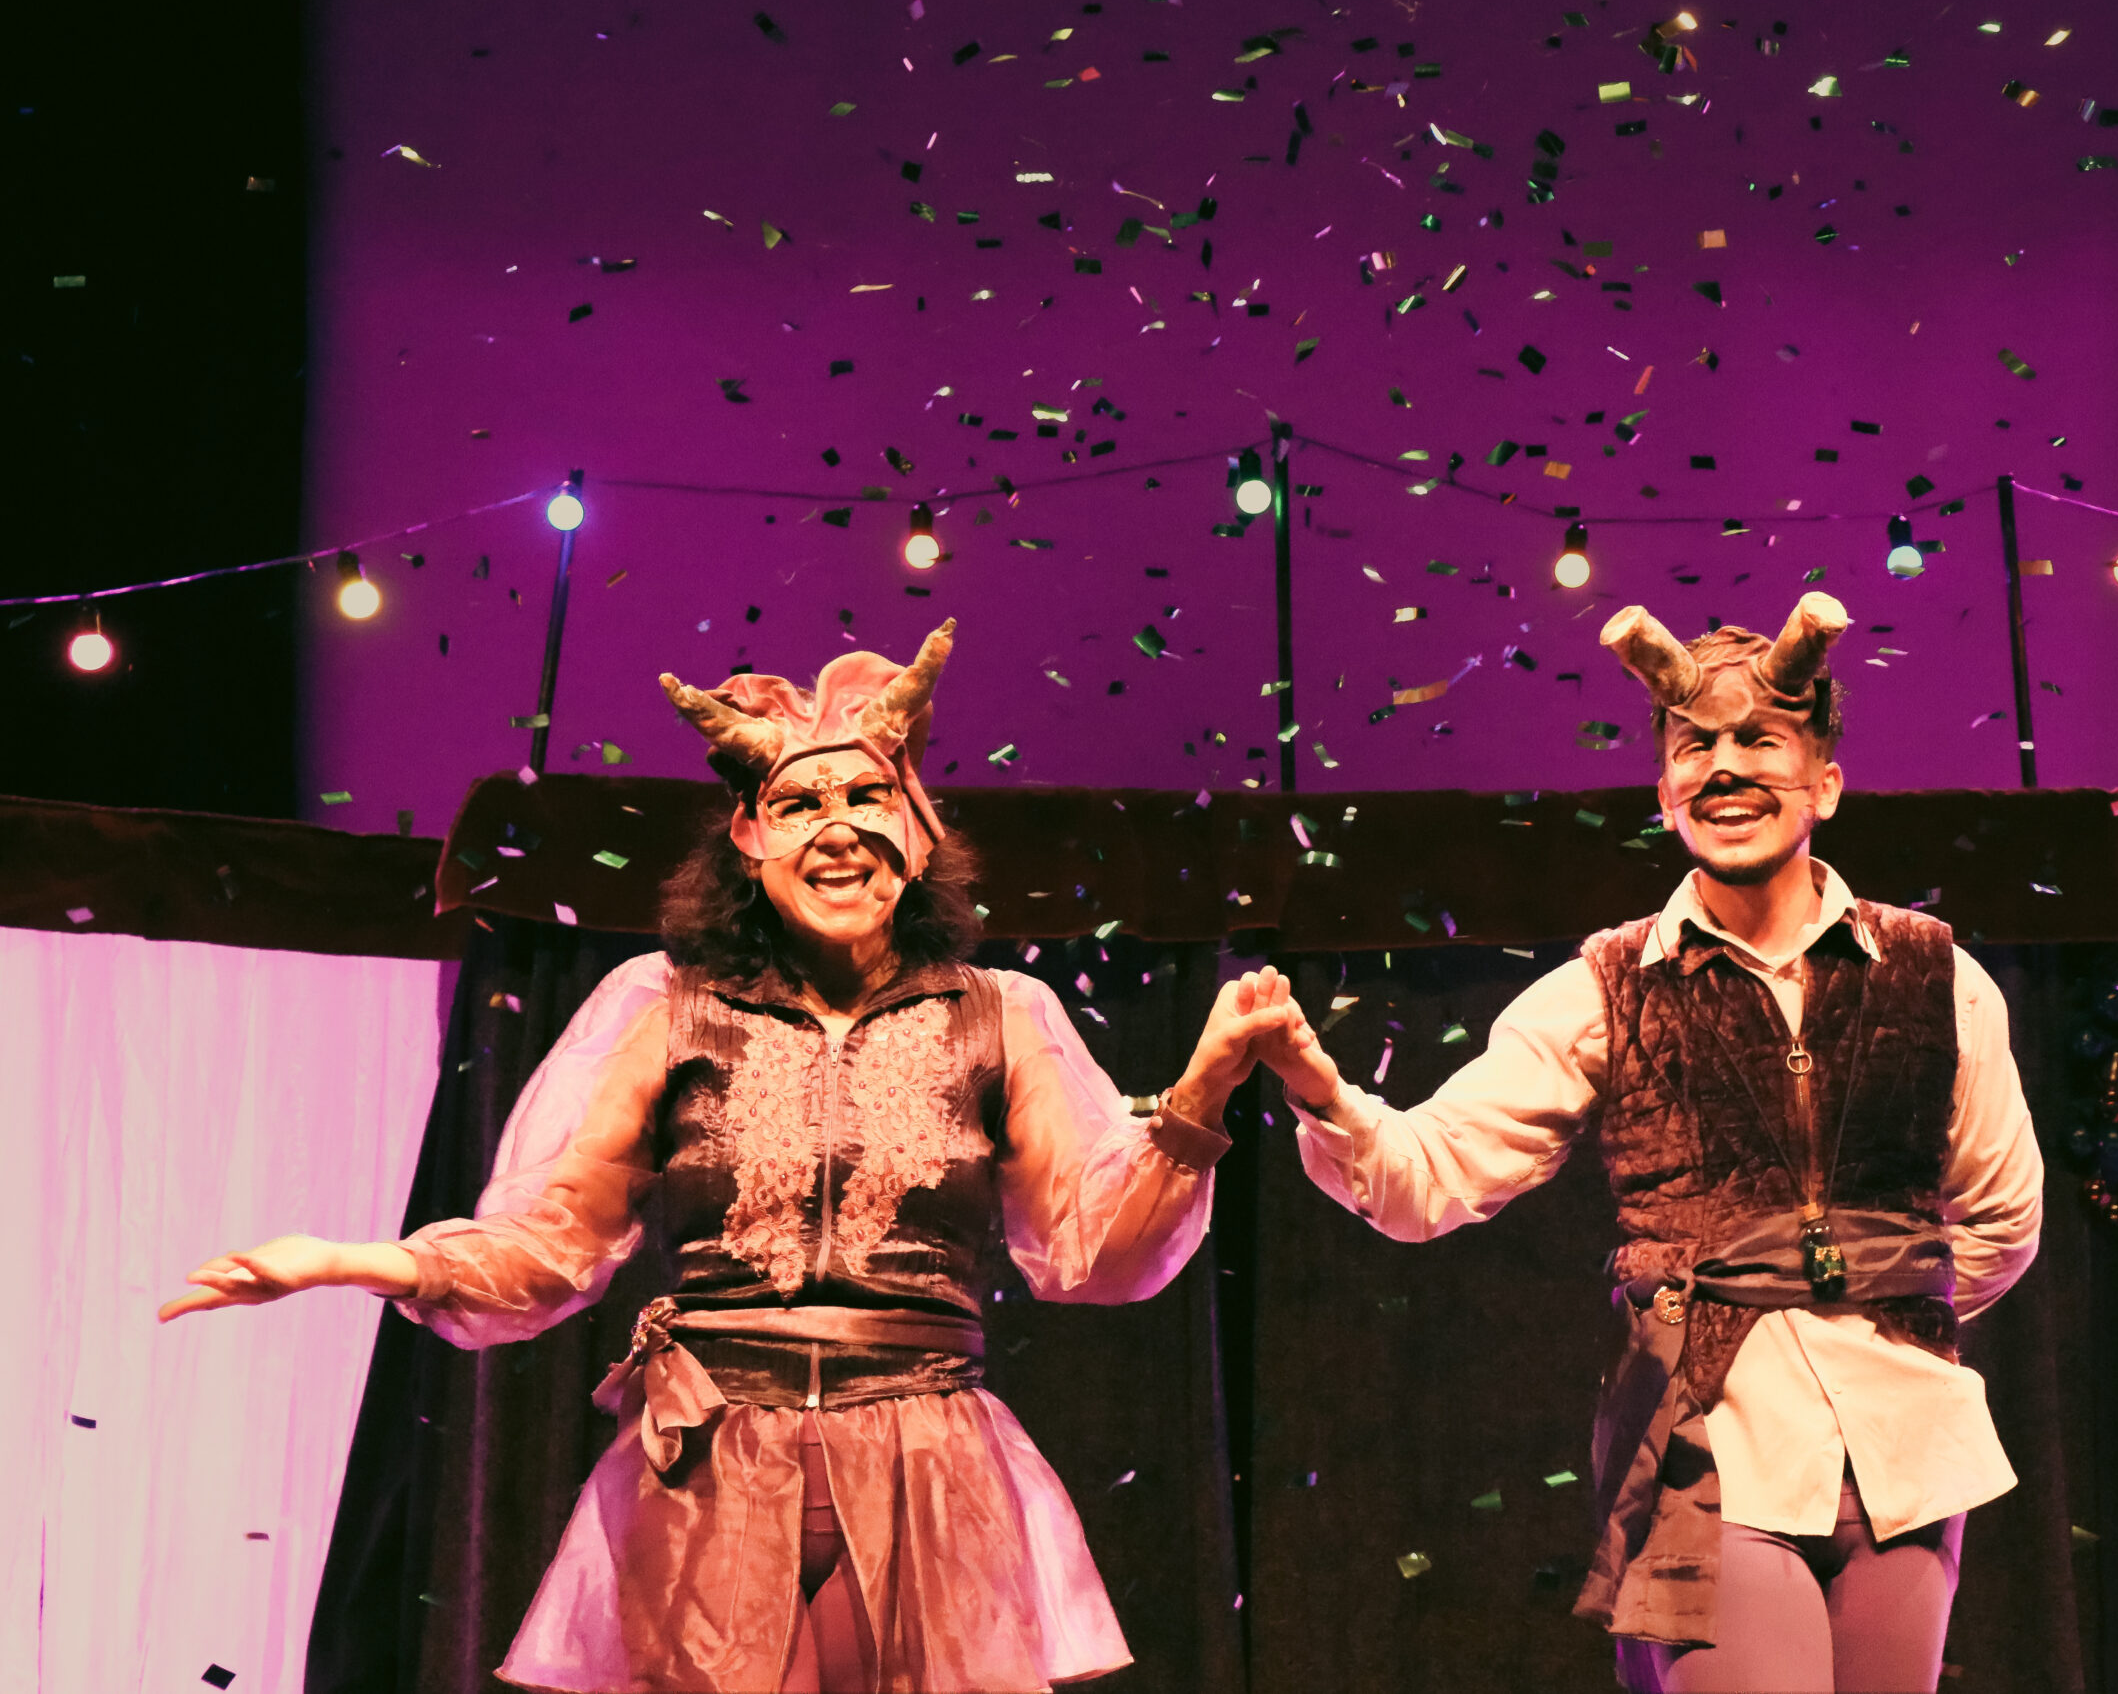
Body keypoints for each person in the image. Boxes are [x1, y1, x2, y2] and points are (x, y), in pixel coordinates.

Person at [161, 622, 1296, 1693]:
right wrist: (358, 1262)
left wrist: (1197, 1100)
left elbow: (1100, 1250)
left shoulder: (1002, 1014)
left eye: (866, 798)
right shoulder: (663, 1008)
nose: (837, 830)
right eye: (798, 804)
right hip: (714, 1463)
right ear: (750, 840)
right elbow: (550, 1242)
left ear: (915, 832)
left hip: (927, 1464)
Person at [1238, 593, 2045, 1694]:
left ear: (1824, 783)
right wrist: (1317, 1085)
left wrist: (1885, 1296)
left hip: (1906, 1454)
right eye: (1694, 746)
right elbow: (1426, 1176)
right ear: (1663, 794)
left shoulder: (1937, 978)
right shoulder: (1605, 990)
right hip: (1708, 1453)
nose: (1726, 767)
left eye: (1761, 739)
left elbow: (2002, 1220)